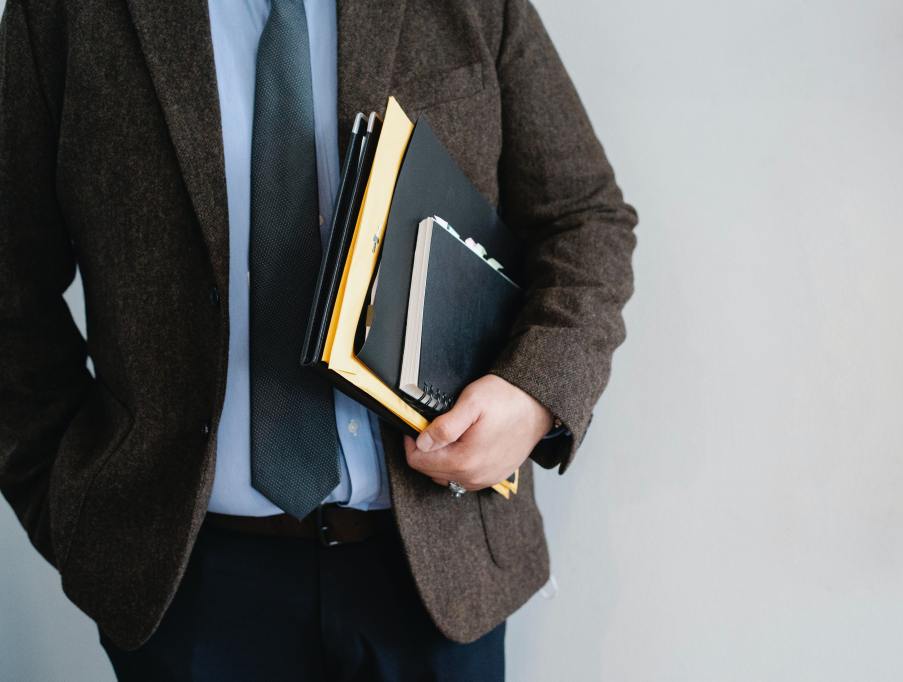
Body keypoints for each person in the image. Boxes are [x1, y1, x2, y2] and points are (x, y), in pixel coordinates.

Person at [0, 0, 636, 679]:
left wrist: (535, 393)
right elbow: (11, 281)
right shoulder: (64, 13)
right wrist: (70, 510)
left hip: (438, 572)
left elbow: (583, 217)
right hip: (185, 589)